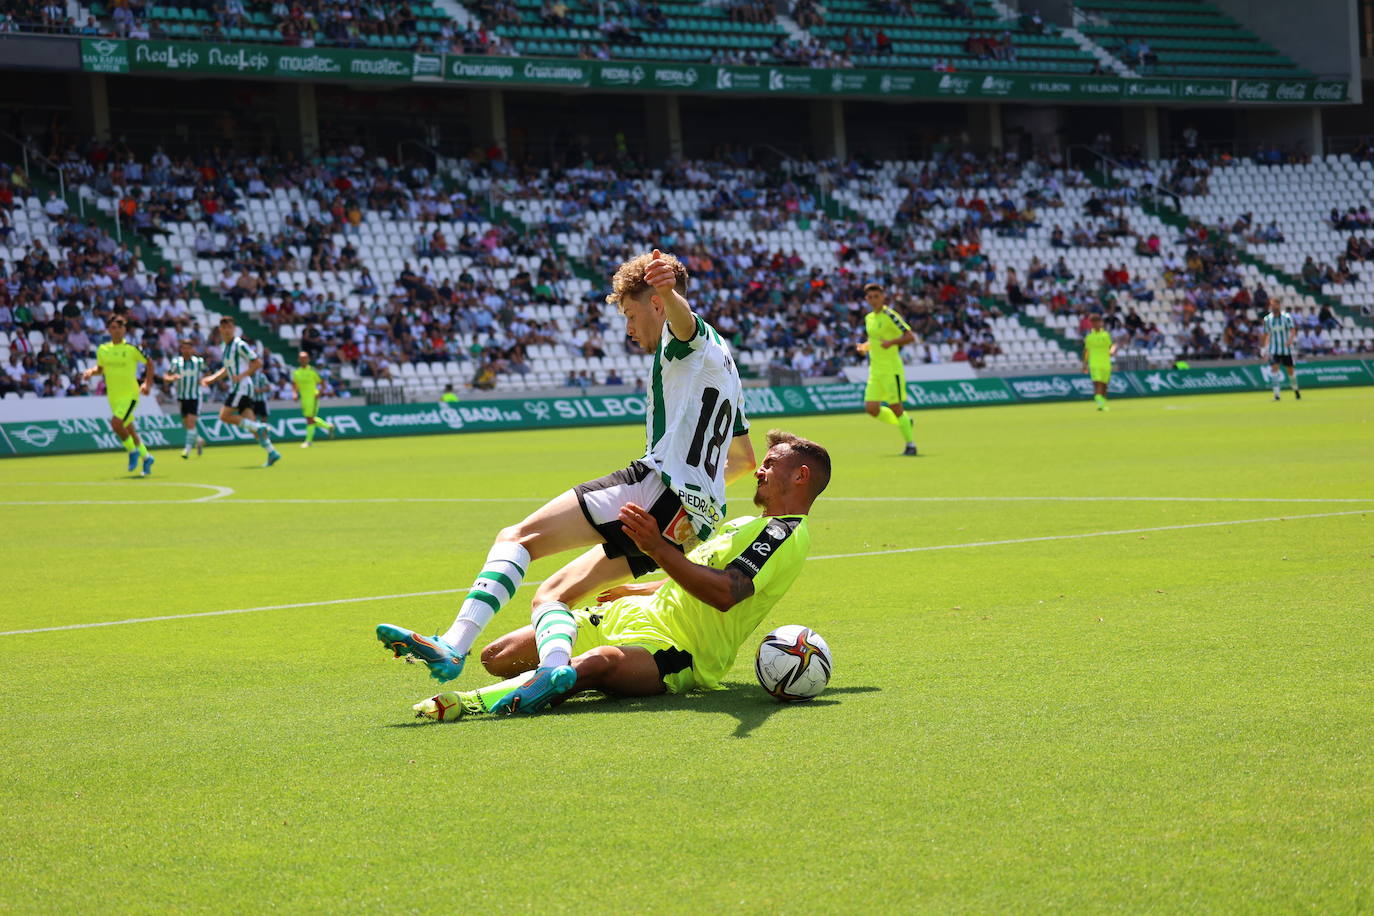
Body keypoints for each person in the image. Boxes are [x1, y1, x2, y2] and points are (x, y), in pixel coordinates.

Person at [377, 248, 756, 687]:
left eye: (631, 315)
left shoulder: (682, 339)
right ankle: (555, 670)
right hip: (693, 523)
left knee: (517, 538)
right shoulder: (724, 360)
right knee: (553, 595)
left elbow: (683, 321)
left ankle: (454, 645)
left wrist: (667, 290)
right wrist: (690, 496)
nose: (629, 330)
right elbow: (744, 460)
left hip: (655, 488)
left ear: (656, 303)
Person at [413, 429, 829, 719]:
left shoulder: (781, 532)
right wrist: (642, 589)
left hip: (683, 648)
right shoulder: (745, 525)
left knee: (594, 664)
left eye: (771, 464)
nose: (760, 469)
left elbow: (726, 593)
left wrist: (656, 547)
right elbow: (701, 573)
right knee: (497, 657)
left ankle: (469, 703)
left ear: (800, 475)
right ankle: (553, 677)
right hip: (636, 615)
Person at [80, 315, 156, 476]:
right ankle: (147, 458)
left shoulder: (131, 348)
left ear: (124, 329)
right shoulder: (103, 349)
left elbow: (149, 362)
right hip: (113, 396)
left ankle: (132, 451)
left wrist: (147, 384)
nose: (116, 331)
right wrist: (90, 372)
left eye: (119, 327)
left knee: (116, 423)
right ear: (109, 330)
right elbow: (100, 369)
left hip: (130, 395)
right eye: (113, 328)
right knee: (129, 430)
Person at [200, 316, 281, 467]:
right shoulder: (225, 347)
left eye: (229, 327)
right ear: (220, 330)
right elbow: (227, 369)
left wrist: (242, 375)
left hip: (242, 387)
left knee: (224, 416)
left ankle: (260, 427)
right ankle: (272, 452)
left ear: (234, 329)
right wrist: (211, 379)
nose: (227, 330)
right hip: (241, 387)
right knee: (250, 425)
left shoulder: (239, 344)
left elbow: (257, 362)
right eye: (224, 327)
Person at [856, 282, 917, 455]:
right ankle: (905, 422)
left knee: (896, 407)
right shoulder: (869, 318)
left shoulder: (890, 315)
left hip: (891, 370)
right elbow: (875, 341)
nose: (873, 300)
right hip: (875, 371)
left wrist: (892, 342)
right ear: (866, 299)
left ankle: (910, 445)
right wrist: (864, 347)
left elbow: (910, 336)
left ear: (883, 297)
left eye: (877, 296)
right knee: (871, 408)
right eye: (870, 297)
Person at [164, 338, 207, 459]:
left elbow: (208, 373)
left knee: (191, 422)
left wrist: (203, 380)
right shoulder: (176, 362)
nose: (186, 350)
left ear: (192, 349)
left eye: (189, 348)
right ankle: (198, 440)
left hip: (195, 396)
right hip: (182, 397)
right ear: (181, 349)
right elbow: (166, 376)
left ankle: (187, 450)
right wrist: (172, 378)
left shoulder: (199, 362)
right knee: (187, 424)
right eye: (184, 348)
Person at [292, 350, 335, 448]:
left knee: (309, 419)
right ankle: (328, 426)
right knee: (310, 419)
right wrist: (294, 394)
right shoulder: (296, 372)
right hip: (304, 398)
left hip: (313, 397)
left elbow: (322, 383)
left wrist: (319, 393)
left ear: (308, 359)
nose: (303, 360)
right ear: (299, 360)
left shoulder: (313, 371)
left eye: (305, 358)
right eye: (301, 358)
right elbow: (294, 385)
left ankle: (308, 441)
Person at [1260, 299, 1300, 401]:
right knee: (1274, 369)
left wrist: (1290, 340)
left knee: (1290, 371)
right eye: (1272, 305)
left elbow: (1292, 329)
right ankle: (1276, 395)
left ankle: (1296, 390)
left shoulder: (1286, 317)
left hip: (1286, 349)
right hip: (1274, 349)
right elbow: (1266, 334)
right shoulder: (1267, 319)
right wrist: (1264, 348)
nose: (1273, 307)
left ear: (1279, 305)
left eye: (1275, 305)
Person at [1082, 313, 1117, 411]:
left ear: (1100, 322)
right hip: (1094, 363)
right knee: (1098, 383)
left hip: (1106, 363)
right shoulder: (1089, 337)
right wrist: (1084, 364)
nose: (1095, 324)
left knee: (1105, 385)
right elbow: (1086, 351)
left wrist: (1112, 351)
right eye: (1093, 322)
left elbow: (1113, 346)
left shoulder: (1105, 335)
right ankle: (1100, 405)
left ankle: (1102, 403)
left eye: (1097, 322)